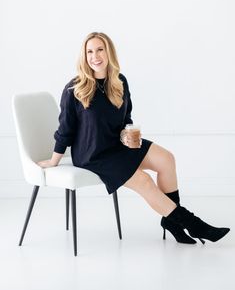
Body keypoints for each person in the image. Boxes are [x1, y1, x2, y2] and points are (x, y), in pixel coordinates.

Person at [38, 32, 230, 244]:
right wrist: (54, 160)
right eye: (89, 51)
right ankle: (195, 225)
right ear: (84, 56)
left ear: (109, 51)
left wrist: (125, 135)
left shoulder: (119, 82)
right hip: (93, 154)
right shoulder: (74, 88)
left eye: (100, 49)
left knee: (167, 159)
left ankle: (172, 222)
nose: (95, 56)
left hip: (117, 144)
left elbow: (125, 120)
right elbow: (65, 129)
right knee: (144, 181)